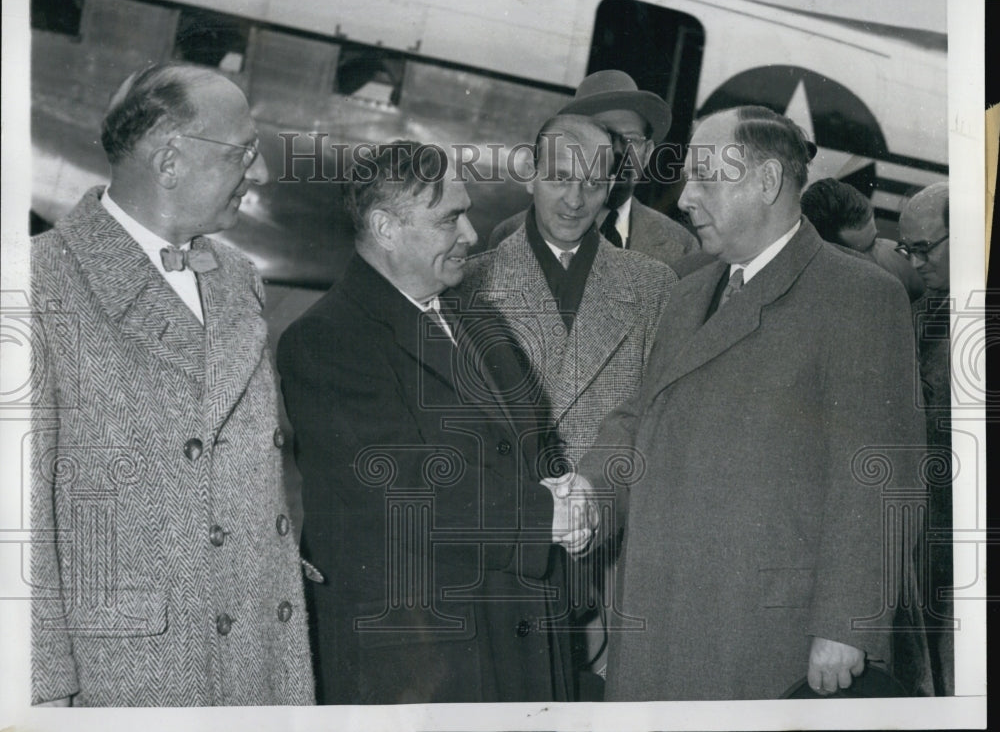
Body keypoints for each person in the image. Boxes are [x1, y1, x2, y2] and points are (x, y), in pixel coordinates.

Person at [571, 105, 924, 700]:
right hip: (657, 616)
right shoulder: (686, 293)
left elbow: (881, 473)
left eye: (705, 178)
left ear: (765, 183)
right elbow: (639, 417)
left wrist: (847, 625)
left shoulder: (859, 296)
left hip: (762, 632)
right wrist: (590, 495)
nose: (685, 198)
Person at [30, 63, 314, 706]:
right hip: (131, 671)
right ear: (169, 159)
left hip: (257, 653)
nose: (261, 172)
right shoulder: (36, 281)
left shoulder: (238, 276)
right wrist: (38, 690)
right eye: (243, 150)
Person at [277, 141, 596, 704]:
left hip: (516, 632)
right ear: (385, 227)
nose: (472, 235)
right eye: (450, 218)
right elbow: (405, 485)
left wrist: (570, 491)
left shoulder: (472, 315)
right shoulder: (327, 340)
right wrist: (552, 515)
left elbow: (532, 436)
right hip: (423, 664)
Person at [464, 115, 674, 693]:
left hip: (610, 560)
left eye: (593, 181)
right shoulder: (469, 284)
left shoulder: (655, 286)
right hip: (510, 555)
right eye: (559, 177)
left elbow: (657, 425)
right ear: (530, 174)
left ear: (614, 186)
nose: (576, 198)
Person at [488, 70, 699, 268]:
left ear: (647, 153)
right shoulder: (511, 234)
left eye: (629, 140)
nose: (616, 152)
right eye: (602, 136)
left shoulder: (680, 246)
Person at [898, 181, 953, 696]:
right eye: (906, 250)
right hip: (927, 543)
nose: (915, 263)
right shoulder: (917, 316)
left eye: (924, 249)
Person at [801, 177, 925, 301]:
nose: (875, 257)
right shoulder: (810, 295)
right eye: (861, 252)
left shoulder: (898, 260)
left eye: (874, 240)